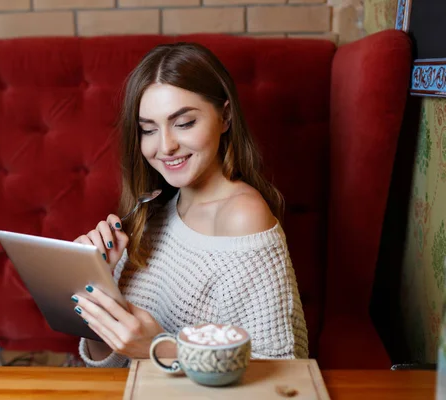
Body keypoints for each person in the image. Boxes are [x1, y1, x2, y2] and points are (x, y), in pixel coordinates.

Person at [71, 42, 308, 368]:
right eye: (148, 130)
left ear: (224, 116)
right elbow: (113, 367)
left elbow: (282, 368)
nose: (165, 146)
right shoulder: (152, 210)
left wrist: (160, 348)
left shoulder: (242, 217)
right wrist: (101, 283)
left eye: (184, 123)